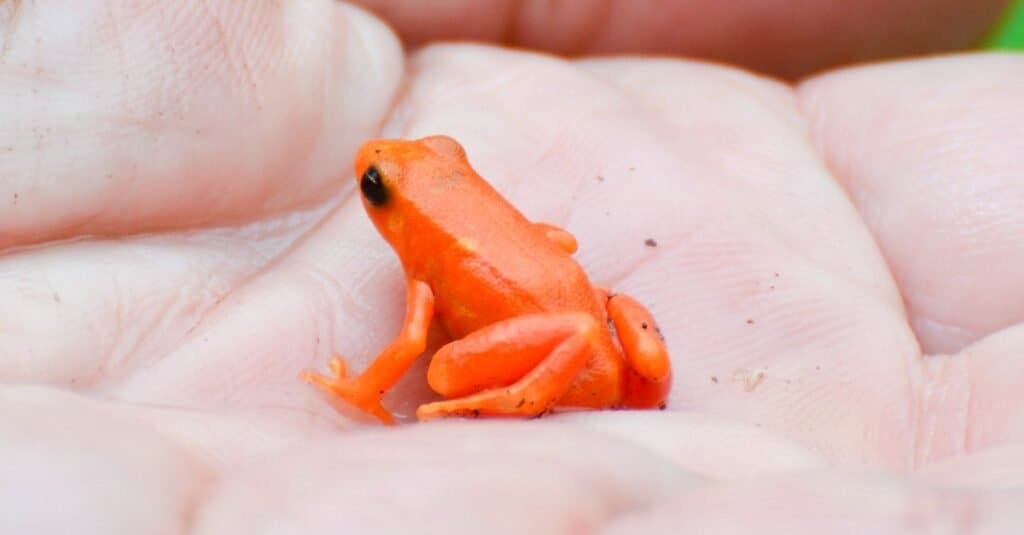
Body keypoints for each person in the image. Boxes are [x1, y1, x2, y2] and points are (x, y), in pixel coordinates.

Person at [2, 0, 1022, 532]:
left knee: (440, 371)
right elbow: (568, 257)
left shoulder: (417, 268)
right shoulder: (457, 234)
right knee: (590, 315)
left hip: (560, 351)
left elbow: (408, 344)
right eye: (388, 187)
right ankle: (586, 369)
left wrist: (363, 391)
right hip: (598, 340)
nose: (382, 184)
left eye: (388, 191)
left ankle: (501, 396)